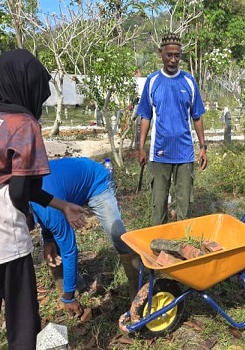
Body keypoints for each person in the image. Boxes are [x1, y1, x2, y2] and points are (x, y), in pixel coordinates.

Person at [0, 49, 87, 350]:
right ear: (25, 84)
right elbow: (19, 193)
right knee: (22, 320)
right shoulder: (23, 124)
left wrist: (62, 205)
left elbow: (15, 185)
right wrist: (27, 218)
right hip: (2, 237)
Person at [30, 157, 141, 305]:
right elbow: (45, 214)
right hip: (69, 189)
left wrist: (68, 298)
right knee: (53, 249)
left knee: (118, 236)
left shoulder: (47, 209)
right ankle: (76, 286)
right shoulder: (26, 195)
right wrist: (48, 239)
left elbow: (70, 250)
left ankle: (137, 286)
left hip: (96, 183)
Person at [137, 32, 208, 225]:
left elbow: (197, 116)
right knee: (158, 205)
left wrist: (202, 147)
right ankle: (157, 249)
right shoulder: (152, 81)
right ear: (161, 54)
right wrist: (141, 147)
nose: (173, 59)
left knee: (184, 206)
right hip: (159, 153)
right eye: (169, 55)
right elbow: (145, 116)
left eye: (177, 55)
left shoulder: (189, 82)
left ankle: (183, 247)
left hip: (184, 154)